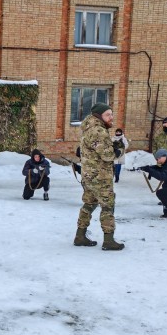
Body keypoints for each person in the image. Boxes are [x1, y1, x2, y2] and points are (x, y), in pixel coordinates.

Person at [74, 103, 124, 250]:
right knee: (108, 206)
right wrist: (118, 150)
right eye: (108, 114)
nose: (111, 117)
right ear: (99, 115)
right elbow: (108, 155)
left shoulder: (88, 128)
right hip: (100, 177)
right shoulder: (98, 131)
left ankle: (80, 235)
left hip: (89, 176)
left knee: (89, 204)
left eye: (111, 114)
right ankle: (109, 240)